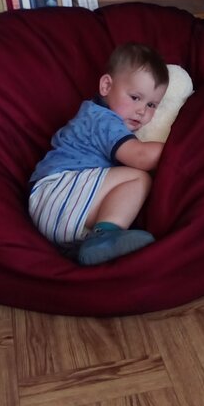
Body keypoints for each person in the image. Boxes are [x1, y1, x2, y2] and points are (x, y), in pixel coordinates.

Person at [28, 42, 169, 266]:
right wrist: (179, 146)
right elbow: (140, 156)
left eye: (152, 104)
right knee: (139, 178)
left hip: (63, 212)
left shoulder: (99, 115)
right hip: (57, 193)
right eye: (135, 97)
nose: (142, 110)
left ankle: (88, 246)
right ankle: (105, 235)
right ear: (106, 86)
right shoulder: (102, 119)